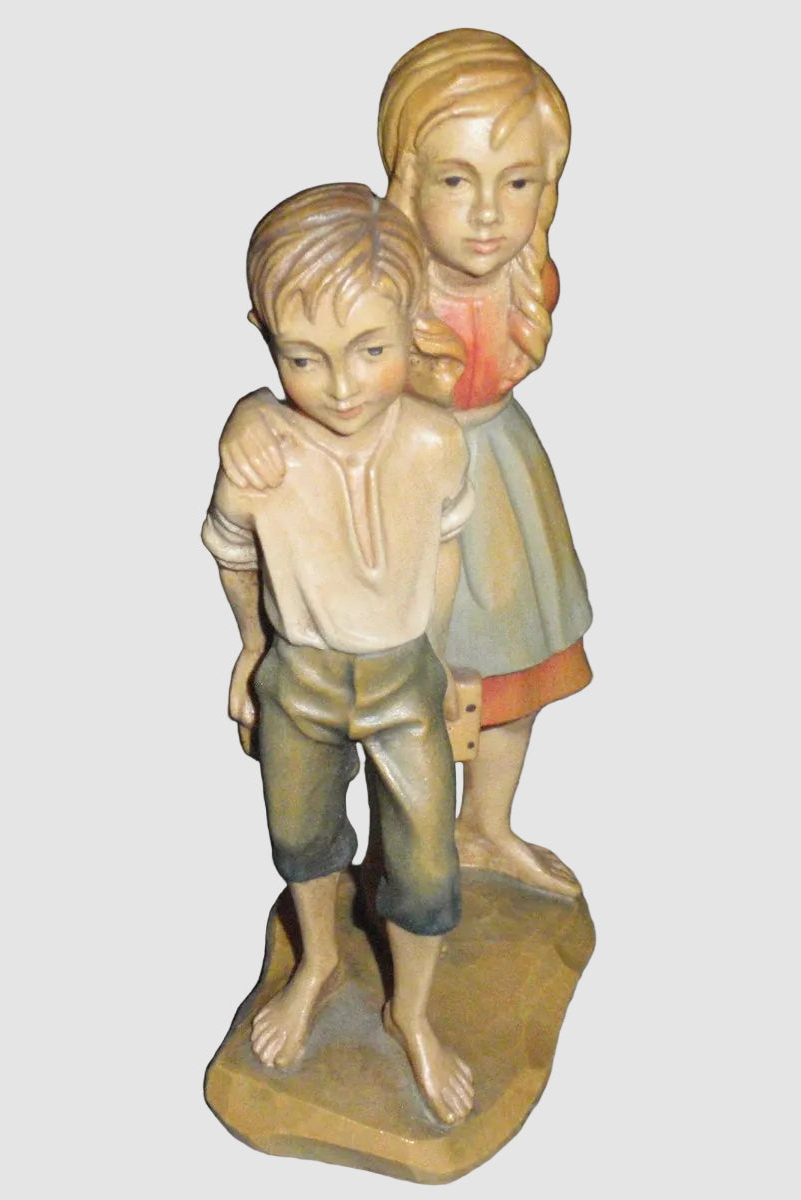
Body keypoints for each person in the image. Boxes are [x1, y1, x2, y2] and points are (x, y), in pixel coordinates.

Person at [218, 30, 592, 899]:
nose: (489, 214)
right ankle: (403, 860)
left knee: (516, 668)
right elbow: (308, 364)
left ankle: (486, 825)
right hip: (400, 488)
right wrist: (250, 412)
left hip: (502, 478)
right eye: (457, 181)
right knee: (407, 683)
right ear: (407, 175)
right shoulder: (383, 280)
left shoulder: (530, 281)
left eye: (518, 183)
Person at [203, 183, 474, 1125]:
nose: (344, 386)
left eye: (371, 349)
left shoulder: (434, 441)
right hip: (304, 678)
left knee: (428, 863)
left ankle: (413, 1012)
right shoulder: (260, 451)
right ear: (264, 338)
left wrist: (442, 659)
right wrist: (251, 649)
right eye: (303, 358)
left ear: (412, 321)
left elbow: (446, 546)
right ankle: (317, 960)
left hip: (403, 680)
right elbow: (234, 555)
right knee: (303, 834)